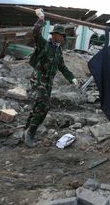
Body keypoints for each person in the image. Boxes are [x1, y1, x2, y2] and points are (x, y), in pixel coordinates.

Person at [24, 8, 79, 147]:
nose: (63, 38)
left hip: (48, 83)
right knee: (44, 106)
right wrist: (41, 18)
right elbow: (35, 32)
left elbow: (62, 67)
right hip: (38, 80)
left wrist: (71, 78)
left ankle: (26, 131)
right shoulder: (44, 44)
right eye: (61, 35)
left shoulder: (58, 50)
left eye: (63, 36)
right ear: (55, 35)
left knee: (38, 106)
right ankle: (30, 132)